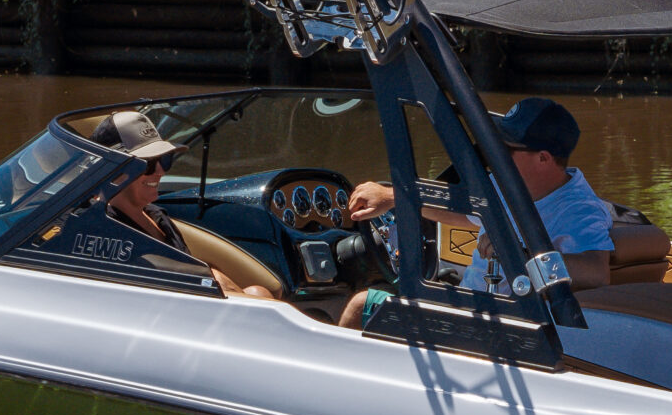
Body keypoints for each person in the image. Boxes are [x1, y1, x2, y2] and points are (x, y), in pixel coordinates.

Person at [340, 97, 613, 325]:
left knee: (361, 306)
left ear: (543, 158)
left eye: (505, 148)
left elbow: (597, 272)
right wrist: (393, 197)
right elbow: (464, 210)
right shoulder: (511, 182)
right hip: (473, 302)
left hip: (501, 321)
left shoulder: (579, 208)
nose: (494, 153)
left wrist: (519, 255)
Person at [93, 110, 277, 300]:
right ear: (113, 168)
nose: (160, 171)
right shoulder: (103, 230)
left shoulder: (157, 216)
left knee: (258, 292)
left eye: (164, 160)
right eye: (148, 163)